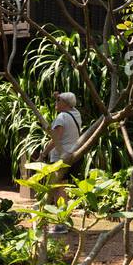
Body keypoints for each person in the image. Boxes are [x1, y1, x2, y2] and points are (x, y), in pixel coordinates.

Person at [42, 92, 82, 234]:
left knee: (59, 190)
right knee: (63, 188)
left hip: (60, 158)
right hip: (72, 155)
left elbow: (55, 139)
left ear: (65, 104)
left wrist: (43, 154)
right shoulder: (75, 114)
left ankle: (61, 224)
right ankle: (64, 221)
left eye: (58, 101)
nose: (56, 103)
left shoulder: (61, 117)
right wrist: (58, 96)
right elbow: (69, 101)